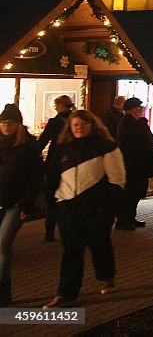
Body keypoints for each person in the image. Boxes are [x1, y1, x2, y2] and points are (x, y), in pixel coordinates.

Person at [42, 110, 126, 308]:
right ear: (70, 127)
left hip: (96, 209)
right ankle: (66, 293)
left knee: (100, 245)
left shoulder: (106, 147)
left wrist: (108, 208)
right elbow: (52, 177)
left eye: (83, 124)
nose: (79, 127)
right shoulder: (62, 149)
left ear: (92, 125)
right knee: (71, 250)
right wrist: (54, 203)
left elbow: (117, 179)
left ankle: (106, 276)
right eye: (75, 124)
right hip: (68, 207)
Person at [0, 104, 44, 306]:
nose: (6, 126)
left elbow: (35, 178)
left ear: (18, 124)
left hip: (16, 204)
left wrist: (26, 204)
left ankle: (3, 294)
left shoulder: (27, 146)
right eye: (3, 122)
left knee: (2, 245)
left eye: (10, 122)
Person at [115, 98, 153, 230]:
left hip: (140, 165)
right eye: (138, 107)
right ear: (132, 110)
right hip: (132, 164)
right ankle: (123, 220)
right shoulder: (126, 123)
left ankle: (131, 217)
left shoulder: (138, 122)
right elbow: (129, 144)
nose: (141, 109)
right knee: (129, 193)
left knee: (136, 193)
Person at [38, 94, 74, 242]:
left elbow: (42, 141)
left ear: (61, 105)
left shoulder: (54, 122)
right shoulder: (75, 119)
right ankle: (69, 228)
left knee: (52, 196)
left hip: (55, 162)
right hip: (72, 161)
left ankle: (50, 231)